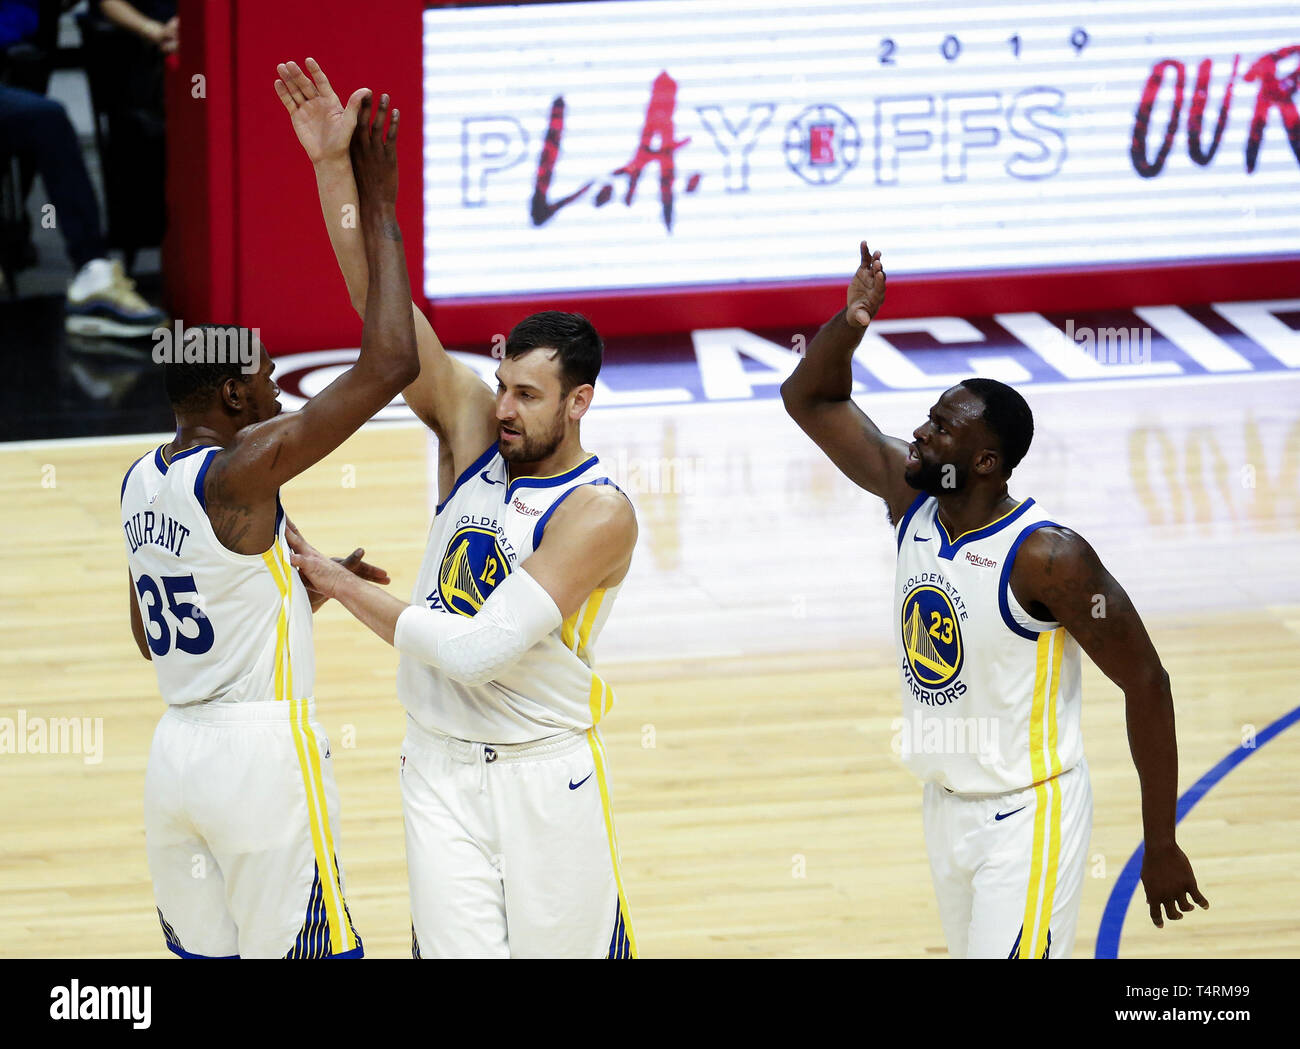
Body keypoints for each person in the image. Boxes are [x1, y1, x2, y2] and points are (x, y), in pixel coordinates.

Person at [276, 58, 639, 958]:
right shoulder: (476, 432)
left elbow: (476, 650)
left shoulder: (598, 513)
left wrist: (331, 578)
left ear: (580, 400)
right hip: (436, 766)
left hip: (540, 775)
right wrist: (333, 169)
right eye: (503, 384)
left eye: (528, 393)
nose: (505, 407)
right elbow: (384, 318)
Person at [780, 242, 1208, 958]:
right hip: (944, 808)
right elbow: (810, 398)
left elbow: (1146, 680)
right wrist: (852, 321)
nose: (919, 431)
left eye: (941, 427)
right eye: (928, 417)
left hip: (1027, 814)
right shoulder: (910, 500)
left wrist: (1159, 841)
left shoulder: (1048, 557)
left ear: (985, 462)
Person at [121, 90, 417, 958]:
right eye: (266, 373)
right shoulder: (243, 465)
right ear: (229, 394)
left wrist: (289, 595)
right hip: (261, 760)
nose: (279, 384)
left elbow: (155, 632)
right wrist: (383, 206)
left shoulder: (141, 480)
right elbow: (391, 361)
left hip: (175, 760)